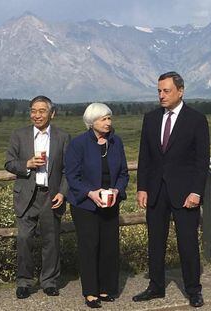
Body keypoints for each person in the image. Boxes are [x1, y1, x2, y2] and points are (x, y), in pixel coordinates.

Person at [132, 72, 210, 308]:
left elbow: (201, 160)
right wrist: (142, 187)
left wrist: (196, 192)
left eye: (166, 91)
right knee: (155, 241)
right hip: (155, 191)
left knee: (187, 243)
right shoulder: (151, 118)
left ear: (181, 91)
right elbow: (144, 155)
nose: (161, 95)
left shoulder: (196, 119)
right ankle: (156, 286)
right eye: (159, 91)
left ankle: (193, 290)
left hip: (185, 193)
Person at [5, 95, 70, 299]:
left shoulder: (63, 137)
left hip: (51, 196)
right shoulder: (19, 135)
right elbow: (9, 163)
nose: (37, 115)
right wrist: (26, 164)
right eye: (33, 110)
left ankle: (49, 281)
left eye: (42, 111)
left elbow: (69, 169)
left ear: (52, 113)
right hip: (26, 197)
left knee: (51, 241)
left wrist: (62, 192)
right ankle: (24, 282)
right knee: (24, 239)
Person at [65, 103, 129, 309]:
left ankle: (106, 288)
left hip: (110, 202)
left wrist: (117, 191)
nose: (108, 123)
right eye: (104, 119)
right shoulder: (78, 144)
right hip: (85, 205)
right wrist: (91, 193)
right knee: (89, 246)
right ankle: (91, 292)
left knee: (109, 246)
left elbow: (123, 173)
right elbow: (72, 176)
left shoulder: (116, 142)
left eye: (110, 118)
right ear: (92, 122)